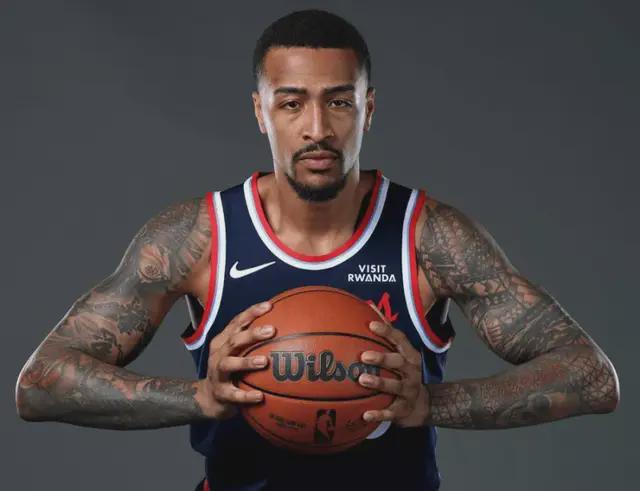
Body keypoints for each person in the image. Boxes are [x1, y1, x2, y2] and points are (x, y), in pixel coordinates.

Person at [15, 9, 619, 491]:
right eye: (291, 102)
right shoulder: (197, 238)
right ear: (261, 112)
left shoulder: (429, 237)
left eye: (339, 100)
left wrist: (433, 402)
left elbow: (592, 376)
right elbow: (40, 385)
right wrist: (198, 396)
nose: (318, 129)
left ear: (368, 108)